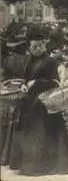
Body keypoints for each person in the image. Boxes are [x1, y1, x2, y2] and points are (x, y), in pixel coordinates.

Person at [11, 26, 68, 175]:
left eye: (40, 45)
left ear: (44, 45)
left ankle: (44, 166)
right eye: (34, 46)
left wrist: (36, 83)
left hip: (45, 103)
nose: (38, 49)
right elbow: (25, 78)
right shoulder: (28, 61)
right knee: (30, 134)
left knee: (42, 133)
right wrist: (23, 86)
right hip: (29, 103)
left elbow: (54, 82)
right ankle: (28, 165)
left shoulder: (50, 61)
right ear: (29, 47)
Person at [0, 34, 28, 166]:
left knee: (5, 123)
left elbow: (4, 76)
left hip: (8, 91)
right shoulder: (29, 59)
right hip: (22, 91)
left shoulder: (9, 59)